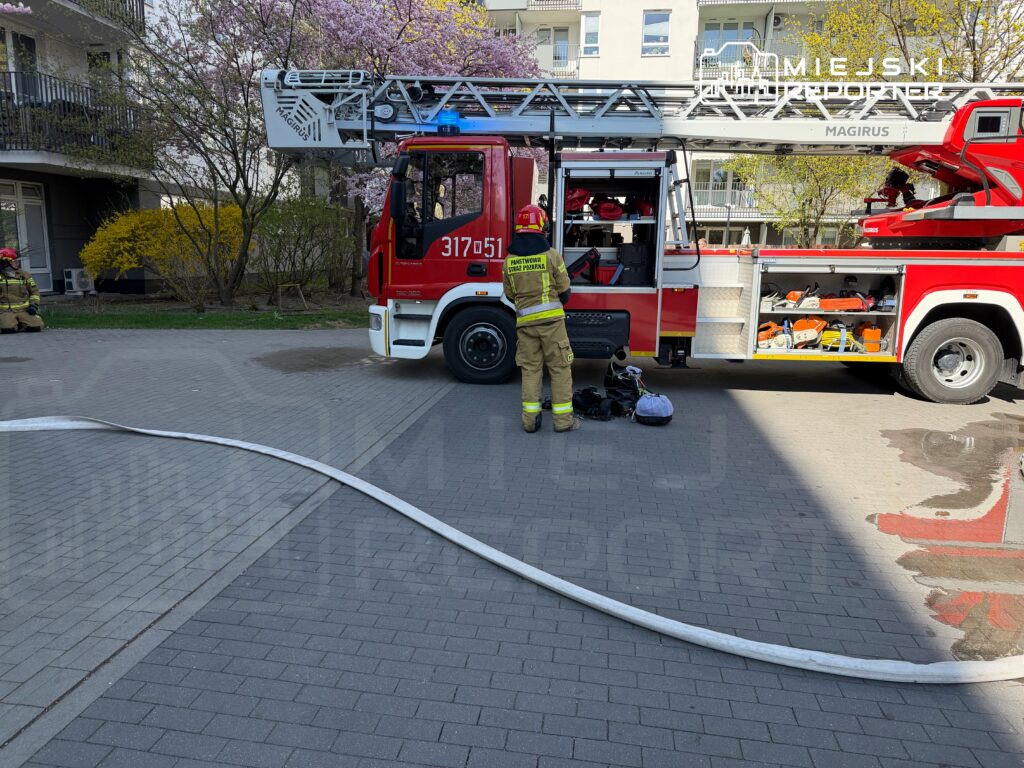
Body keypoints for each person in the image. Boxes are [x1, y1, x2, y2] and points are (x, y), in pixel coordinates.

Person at [502, 204, 580, 433]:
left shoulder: (509, 261)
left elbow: (509, 295)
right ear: (541, 226)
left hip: (525, 325)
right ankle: (563, 422)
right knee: (560, 369)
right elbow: (565, 291)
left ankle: (530, 422)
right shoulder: (551, 256)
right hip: (552, 325)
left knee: (530, 370)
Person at [0, 248, 43, 333]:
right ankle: (14, 323)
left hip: (24, 310)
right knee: (8, 329)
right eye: (14, 261)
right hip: (5, 311)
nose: (17, 263)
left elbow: (34, 291)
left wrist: (33, 305)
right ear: (6, 263)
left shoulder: (25, 275)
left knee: (36, 327)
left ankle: (21, 321)